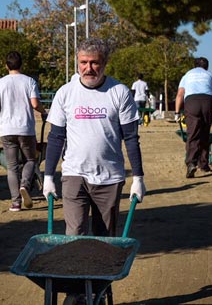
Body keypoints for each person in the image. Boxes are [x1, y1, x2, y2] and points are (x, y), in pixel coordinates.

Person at [42, 37, 146, 237]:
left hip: (109, 177)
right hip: (74, 174)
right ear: (77, 63)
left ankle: (102, 268)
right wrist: (48, 177)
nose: (88, 68)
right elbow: (56, 137)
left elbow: (131, 138)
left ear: (104, 64)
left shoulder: (119, 92)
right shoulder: (65, 93)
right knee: (74, 235)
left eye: (94, 62)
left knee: (104, 237)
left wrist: (138, 178)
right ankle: (78, 269)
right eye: (83, 62)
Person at [0, 51, 47, 211]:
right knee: (31, 160)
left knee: (12, 166)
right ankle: (25, 184)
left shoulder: (0, 83)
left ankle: (16, 202)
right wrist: (43, 112)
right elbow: (35, 104)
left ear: (6, 65)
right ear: (21, 64)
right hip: (26, 128)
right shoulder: (29, 81)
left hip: (6, 129)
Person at [174, 57, 212, 178]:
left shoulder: (187, 75)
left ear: (194, 66)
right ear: (206, 66)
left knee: (192, 134)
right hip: (207, 101)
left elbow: (180, 94)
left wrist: (176, 113)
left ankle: (191, 163)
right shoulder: (210, 75)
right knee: (205, 133)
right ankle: (204, 164)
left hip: (191, 102)